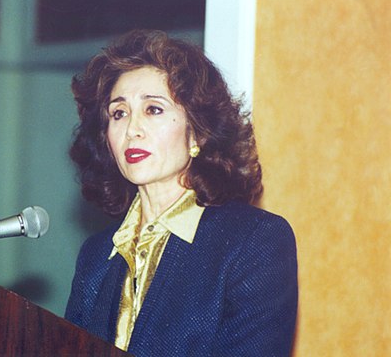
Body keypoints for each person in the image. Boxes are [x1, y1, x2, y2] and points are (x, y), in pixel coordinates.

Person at [66, 29, 298, 356]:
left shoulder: (255, 242)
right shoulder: (96, 255)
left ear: (198, 133)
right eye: (118, 113)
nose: (132, 129)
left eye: (153, 109)